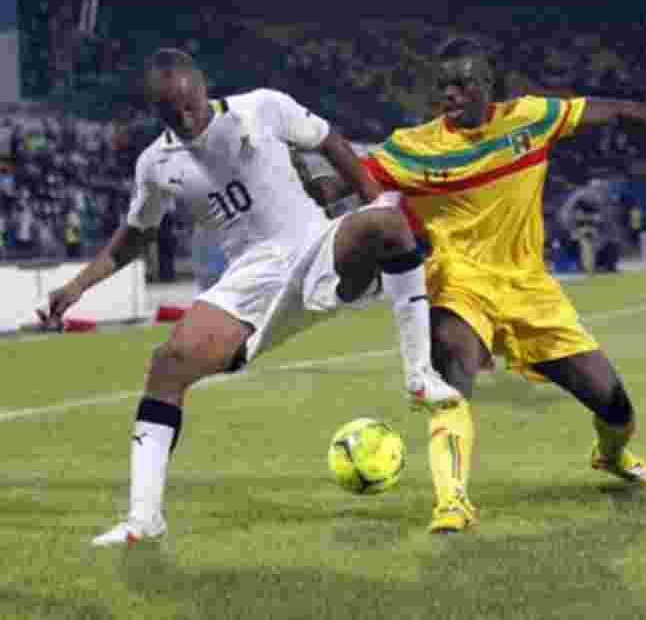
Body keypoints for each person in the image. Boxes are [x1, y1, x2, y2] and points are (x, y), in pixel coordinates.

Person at [39, 49, 461, 546]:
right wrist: (76, 286)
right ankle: (143, 518)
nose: (186, 118)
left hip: (316, 247)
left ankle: (418, 376)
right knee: (167, 365)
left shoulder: (261, 107)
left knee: (390, 221)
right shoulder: (156, 164)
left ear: (203, 88)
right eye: (172, 114)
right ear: (157, 113)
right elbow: (135, 236)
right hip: (250, 282)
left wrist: (371, 199)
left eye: (190, 105)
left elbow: (331, 141)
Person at [364, 37, 646, 533]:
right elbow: (348, 179)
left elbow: (626, 112)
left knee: (614, 405)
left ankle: (611, 456)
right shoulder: (412, 148)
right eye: (443, 86)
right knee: (452, 373)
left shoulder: (532, 118)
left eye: (463, 83)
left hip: (531, 291)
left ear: (489, 87)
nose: (451, 93)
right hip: (458, 282)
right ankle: (451, 501)